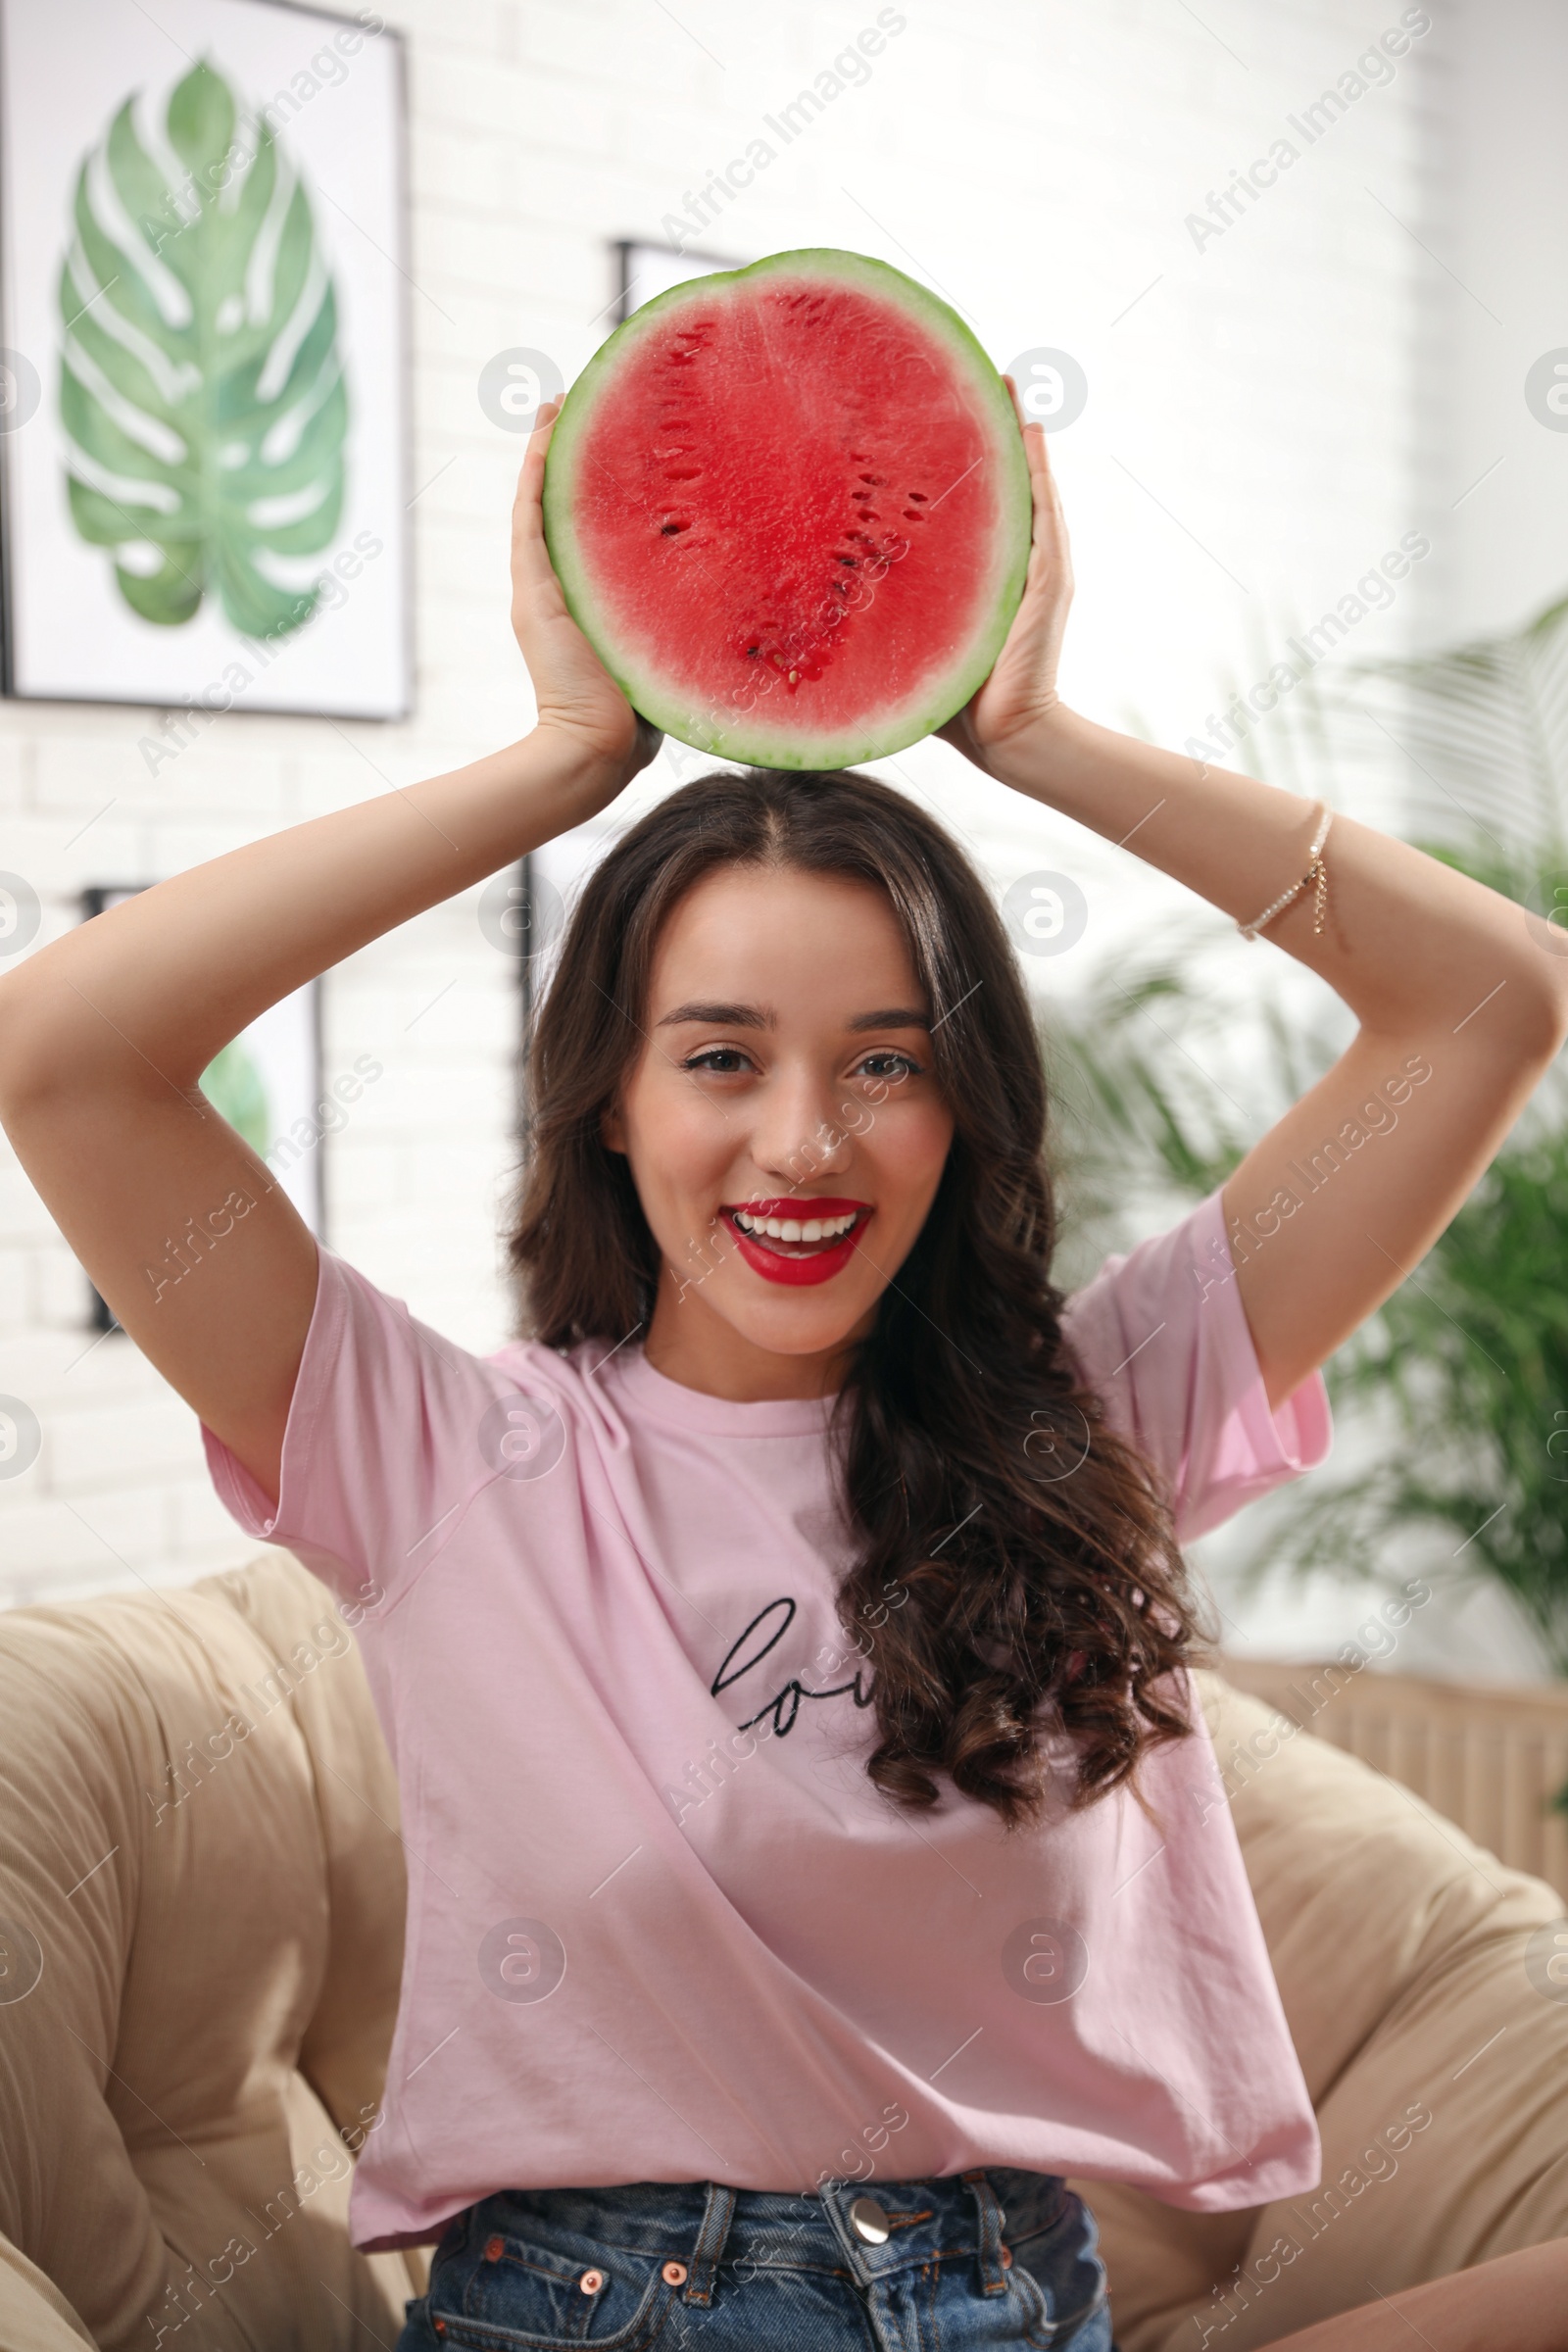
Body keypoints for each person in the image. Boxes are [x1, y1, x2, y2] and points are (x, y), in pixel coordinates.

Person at [0, 386, 1562, 2352]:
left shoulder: (1098, 1413)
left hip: (1010, 2302)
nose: (804, 1146)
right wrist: (563, 765)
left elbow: (1487, 999)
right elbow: (64, 1053)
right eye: (720, 1056)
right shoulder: (435, 1453)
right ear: (610, 1104)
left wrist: (1038, 742)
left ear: (962, 1102)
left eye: (884, 1061)